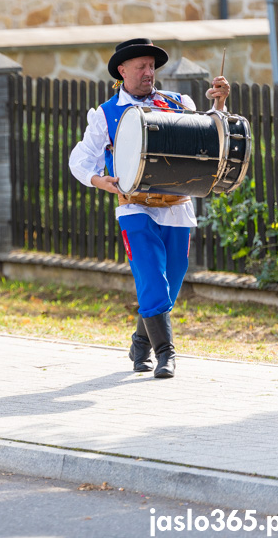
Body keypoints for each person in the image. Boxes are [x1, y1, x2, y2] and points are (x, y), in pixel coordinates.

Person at [69, 38, 230, 379]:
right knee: (151, 277)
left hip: (177, 206)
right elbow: (80, 159)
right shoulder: (106, 113)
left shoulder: (178, 103)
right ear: (122, 71)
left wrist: (220, 106)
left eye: (151, 66)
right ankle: (165, 353)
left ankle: (140, 344)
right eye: (140, 66)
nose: (148, 72)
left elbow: (209, 140)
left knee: (171, 280)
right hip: (134, 208)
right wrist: (99, 180)